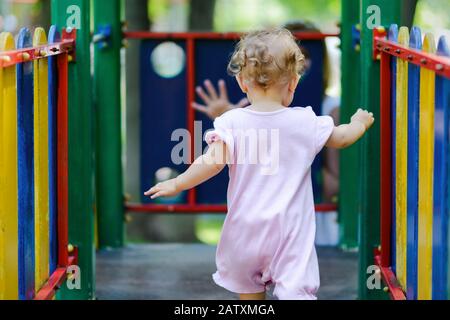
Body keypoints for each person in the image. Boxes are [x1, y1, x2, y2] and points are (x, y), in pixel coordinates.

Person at [145, 29, 374, 300]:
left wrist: (177, 182)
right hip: (290, 234)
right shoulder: (304, 121)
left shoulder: (231, 122)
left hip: (244, 232)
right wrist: (359, 123)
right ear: (293, 83)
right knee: (296, 293)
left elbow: (211, 162)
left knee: (250, 296)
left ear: (242, 82)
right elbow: (343, 138)